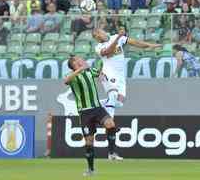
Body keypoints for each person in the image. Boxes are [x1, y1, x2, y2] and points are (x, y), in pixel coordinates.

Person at [92, 28, 162, 159]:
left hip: (120, 78)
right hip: (108, 74)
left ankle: (94, 106)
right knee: (112, 97)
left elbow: (134, 42)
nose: (99, 36)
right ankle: (110, 129)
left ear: (103, 31)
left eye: (99, 32)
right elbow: (108, 52)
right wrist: (118, 37)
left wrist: (150, 45)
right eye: (96, 36)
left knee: (118, 102)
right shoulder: (99, 47)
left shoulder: (115, 37)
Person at [64, 55, 118, 176]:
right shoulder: (72, 75)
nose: (82, 59)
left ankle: (111, 153)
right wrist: (80, 69)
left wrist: (102, 71)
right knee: (89, 142)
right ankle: (91, 169)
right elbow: (66, 81)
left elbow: (98, 71)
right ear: (74, 63)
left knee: (110, 124)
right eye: (79, 59)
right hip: (85, 112)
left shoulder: (89, 71)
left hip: (97, 108)